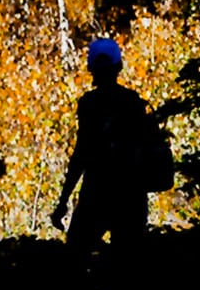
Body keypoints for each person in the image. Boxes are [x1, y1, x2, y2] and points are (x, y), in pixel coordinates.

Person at [53, 37, 156, 262]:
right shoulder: (134, 103)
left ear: (92, 69)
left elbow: (81, 155)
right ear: (118, 67)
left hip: (96, 193)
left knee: (75, 257)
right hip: (131, 195)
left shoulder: (89, 104)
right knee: (130, 263)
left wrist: (63, 201)